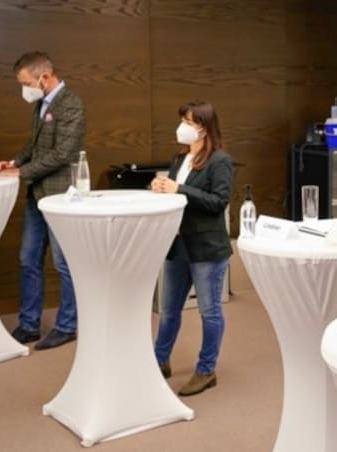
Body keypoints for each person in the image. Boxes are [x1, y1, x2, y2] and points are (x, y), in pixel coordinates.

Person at [0, 51, 85, 350]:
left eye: (26, 83)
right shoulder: (41, 104)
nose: (24, 89)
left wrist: (21, 172)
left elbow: (63, 154)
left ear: (44, 77)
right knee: (27, 259)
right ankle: (29, 324)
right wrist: (13, 163)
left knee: (63, 263)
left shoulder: (71, 104)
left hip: (61, 197)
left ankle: (68, 325)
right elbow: (34, 144)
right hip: (37, 195)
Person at [151, 100, 233, 396]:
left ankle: (206, 370)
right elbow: (176, 199)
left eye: (188, 122)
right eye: (182, 120)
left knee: (209, 312)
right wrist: (161, 189)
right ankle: (159, 361)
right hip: (178, 245)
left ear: (203, 127)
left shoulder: (220, 161)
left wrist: (179, 189)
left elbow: (218, 202)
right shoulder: (180, 159)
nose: (182, 127)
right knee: (169, 311)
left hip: (207, 249)